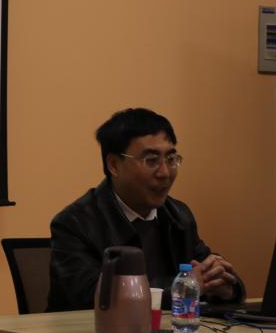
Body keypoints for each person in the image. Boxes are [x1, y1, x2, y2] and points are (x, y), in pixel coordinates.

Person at [47, 107, 245, 311]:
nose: (164, 172)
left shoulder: (178, 216)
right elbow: (94, 298)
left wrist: (225, 288)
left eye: (171, 159)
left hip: (168, 330)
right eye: (151, 161)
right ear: (114, 165)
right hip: (90, 331)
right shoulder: (75, 223)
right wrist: (184, 287)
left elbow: (207, 272)